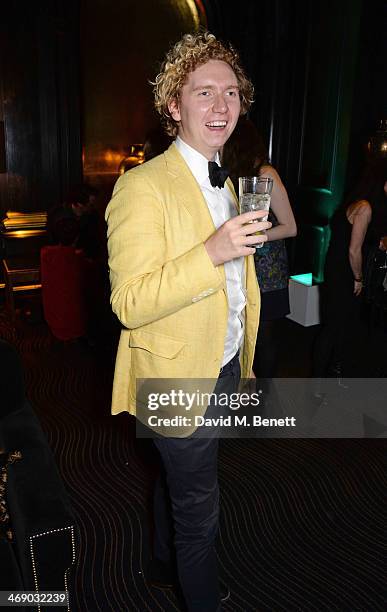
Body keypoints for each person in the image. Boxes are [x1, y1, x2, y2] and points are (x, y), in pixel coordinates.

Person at [105, 31, 270, 612]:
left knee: (177, 476)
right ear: (173, 106)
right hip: (176, 376)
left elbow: (237, 286)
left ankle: (159, 563)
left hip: (222, 362)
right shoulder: (140, 187)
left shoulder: (234, 180)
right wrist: (213, 252)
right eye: (204, 93)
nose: (222, 106)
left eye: (231, 93)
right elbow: (128, 301)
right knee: (200, 510)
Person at [222, 117, 297, 377]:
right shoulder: (226, 175)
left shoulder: (265, 174)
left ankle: (263, 401)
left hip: (266, 274)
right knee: (237, 337)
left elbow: (290, 227)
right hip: (238, 268)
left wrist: (256, 236)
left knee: (264, 340)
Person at [313, 157, 387, 378]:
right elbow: (354, 250)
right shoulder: (364, 208)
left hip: (337, 270)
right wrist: (358, 278)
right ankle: (316, 382)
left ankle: (332, 373)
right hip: (344, 274)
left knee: (340, 327)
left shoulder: (360, 203)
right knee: (334, 328)